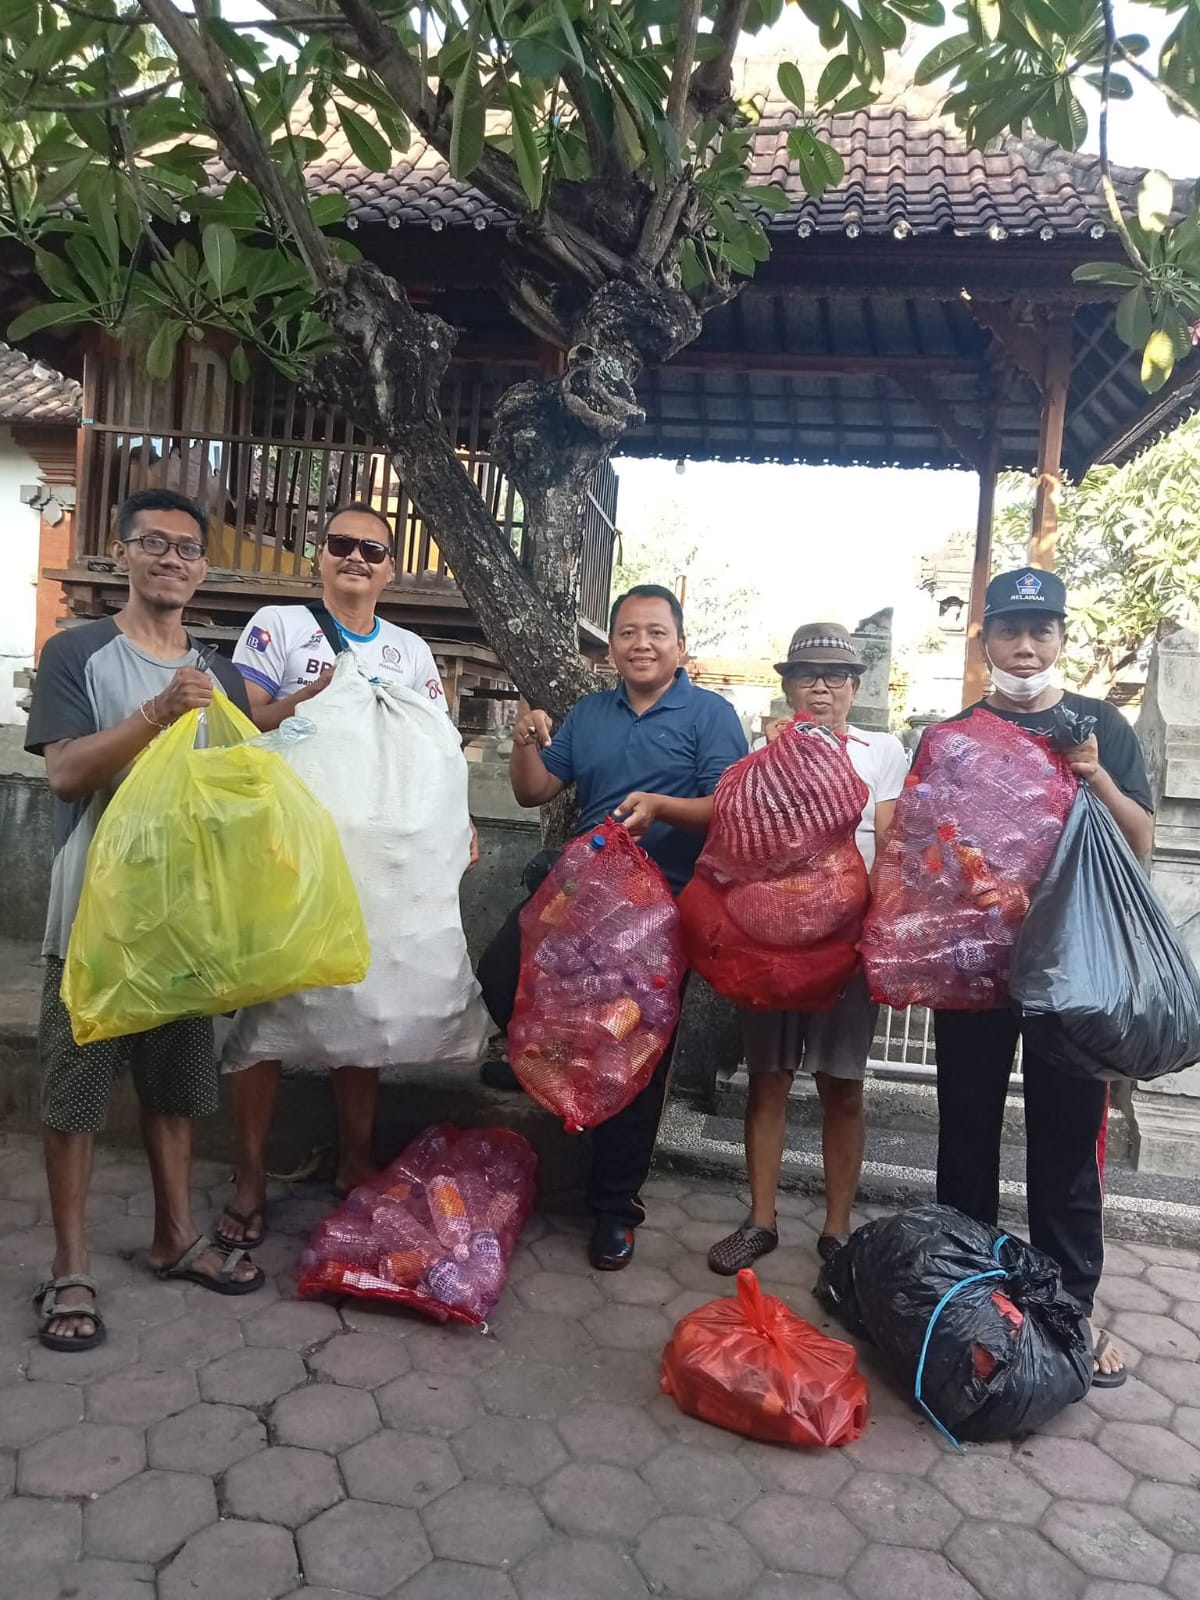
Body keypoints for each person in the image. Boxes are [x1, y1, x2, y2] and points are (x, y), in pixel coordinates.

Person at [24, 487, 265, 1351]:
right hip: (91, 915)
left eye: (188, 549)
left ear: (204, 569)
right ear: (121, 554)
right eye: (154, 543)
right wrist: (158, 712)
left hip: (183, 923)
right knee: (76, 1098)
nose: (172, 559)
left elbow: (236, 793)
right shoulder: (78, 653)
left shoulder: (219, 670)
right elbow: (65, 774)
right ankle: (69, 1266)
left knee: (175, 1091)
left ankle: (174, 1236)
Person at [215, 502, 466, 1250]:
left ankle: (356, 1159)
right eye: (341, 546)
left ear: (391, 569)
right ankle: (251, 1175)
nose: (355, 559)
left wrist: (461, 826)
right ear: (320, 557)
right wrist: (315, 700)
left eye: (372, 550)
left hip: (373, 865)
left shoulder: (412, 652)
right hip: (286, 851)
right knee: (266, 1008)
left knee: (363, 997)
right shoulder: (278, 628)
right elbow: (248, 720)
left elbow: (436, 755)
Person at [476, 584, 748, 1269]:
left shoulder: (711, 715)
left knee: (637, 1057)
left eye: (657, 632)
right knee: (498, 973)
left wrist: (661, 806)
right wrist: (521, 743)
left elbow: (725, 809)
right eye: (628, 632)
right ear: (612, 647)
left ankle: (612, 1208)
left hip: (662, 912)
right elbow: (533, 789)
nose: (641, 644)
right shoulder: (591, 714)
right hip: (581, 899)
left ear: (681, 646)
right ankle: (546, 1071)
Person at [932, 568, 1154, 1390]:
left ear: (1062, 638)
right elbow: (931, 847)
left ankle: (1069, 1312)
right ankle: (964, 1294)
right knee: (965, 1136)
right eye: (1009, 631)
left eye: (1042, 630)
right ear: (984, 640)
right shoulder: (954, 733)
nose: (1026, 646)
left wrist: (1090, 771)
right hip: (979, 969)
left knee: (1066, 1148)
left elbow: (1140, 840)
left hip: (1074, 976)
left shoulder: (1098, 725)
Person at [707, 622, 909, 1275]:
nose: (821, 687)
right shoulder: (760, 751)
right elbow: (736, 831)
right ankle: (760, 1221)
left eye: (836, 677)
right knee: (767, 1081)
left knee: (842, 1087)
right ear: (788, 686)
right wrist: (775, 758)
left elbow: (892, 836)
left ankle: (837, 1232)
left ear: (855, 686)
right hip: (770, 938)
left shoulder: (883, 751)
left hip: (847, 943)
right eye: (806, 676)